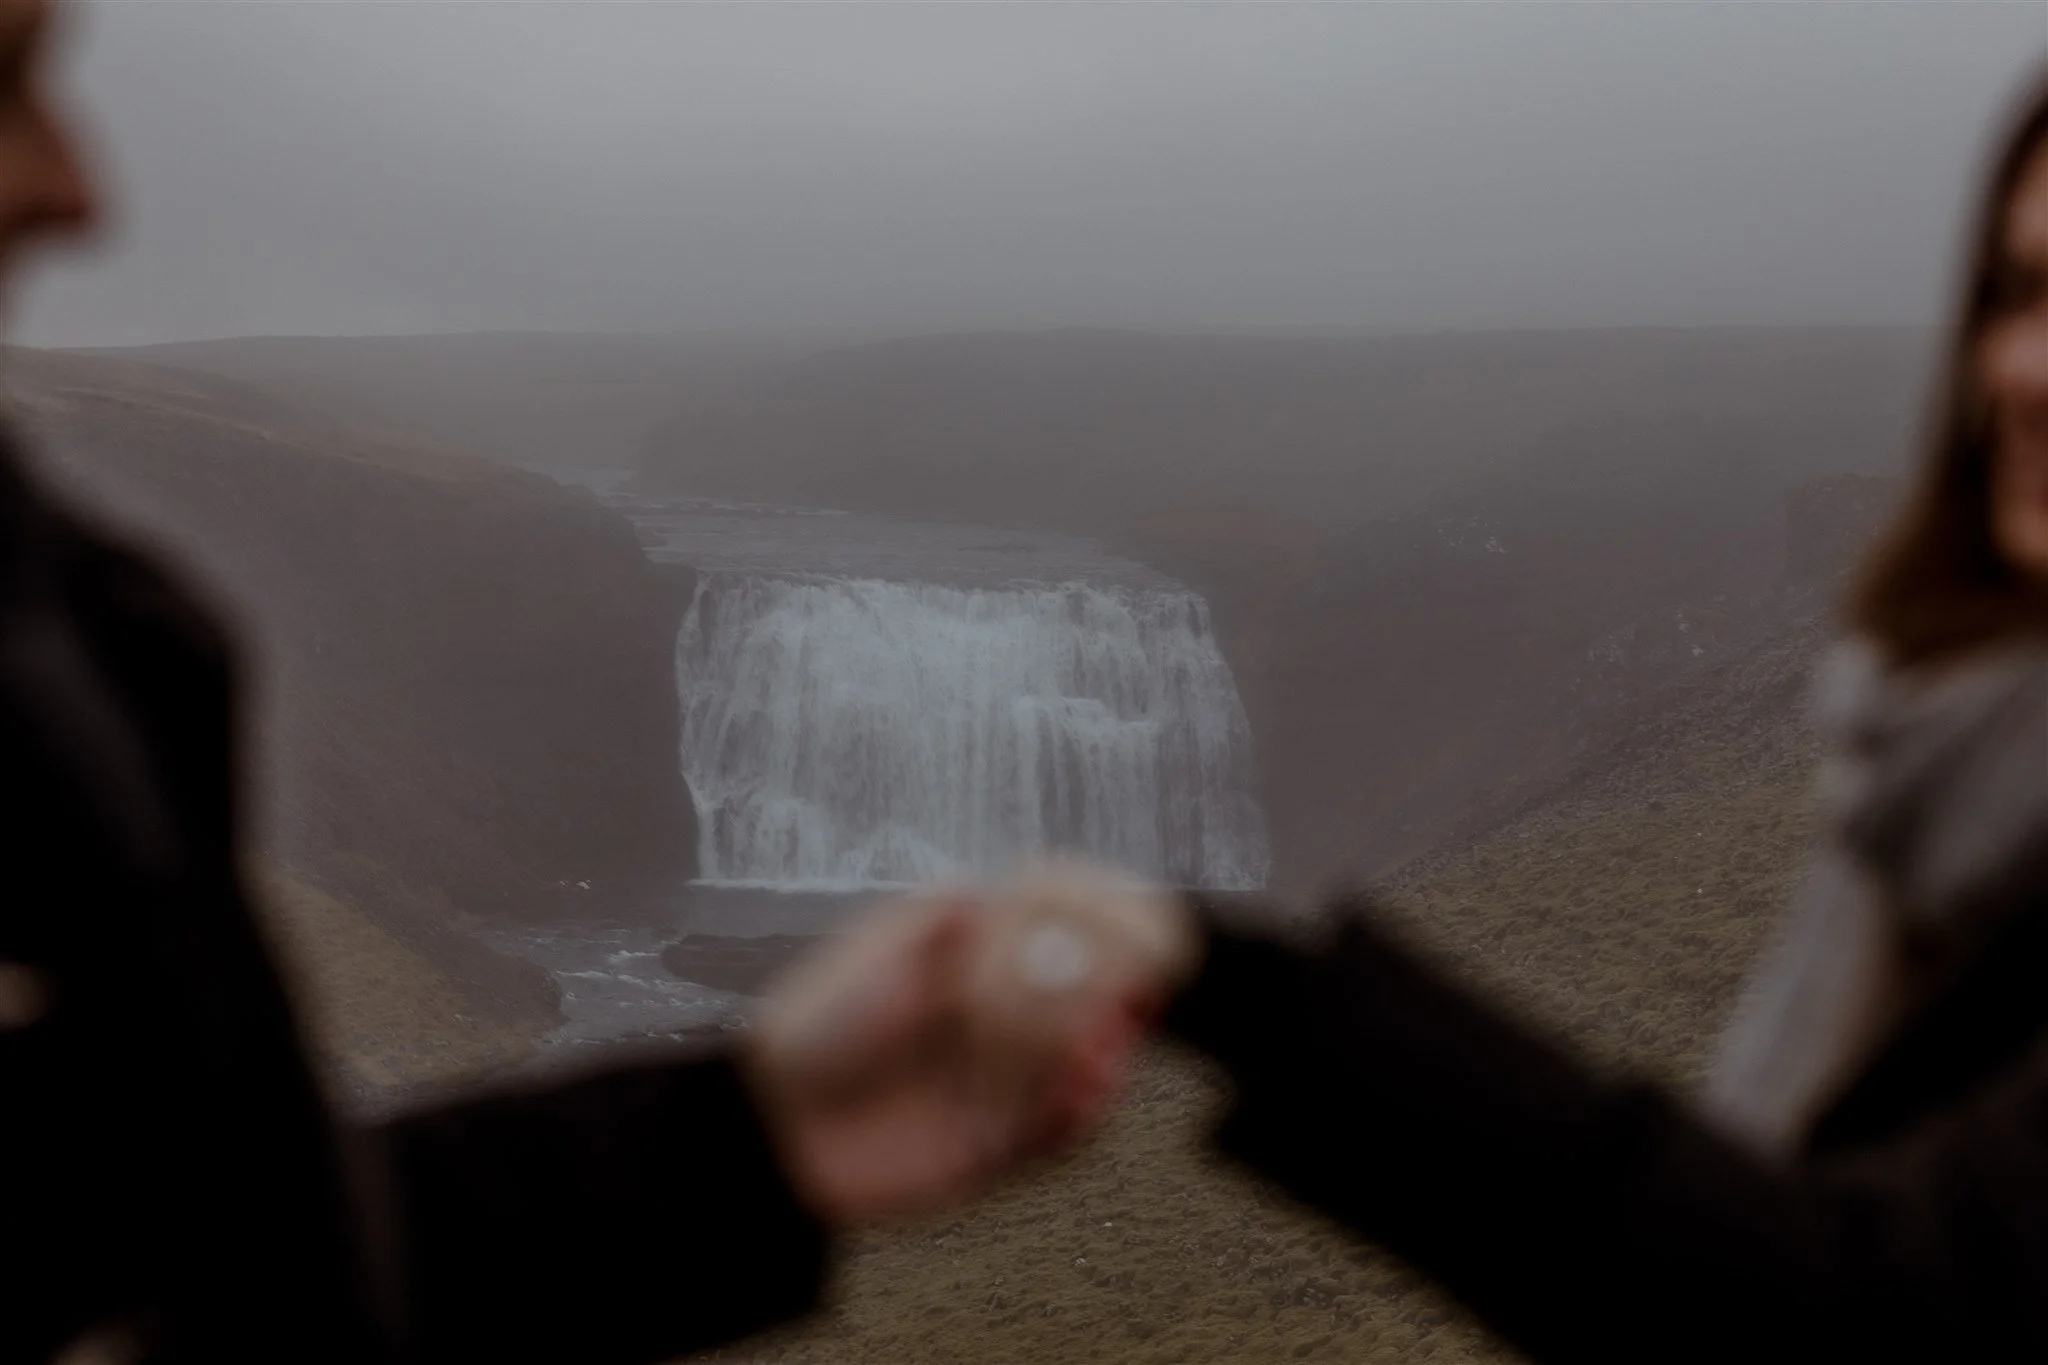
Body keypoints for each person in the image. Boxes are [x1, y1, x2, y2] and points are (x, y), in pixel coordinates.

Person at [0, 3, 1144, 1362]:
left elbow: (154, 1276)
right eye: (7, 79)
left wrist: (750, 1140)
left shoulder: (76, 632)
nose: (80, 190)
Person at [1029, 66, 2048, 1362]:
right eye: (2017, 291)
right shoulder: (1939, 789)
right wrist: (1219, 970)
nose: (2025, 367)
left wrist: (1267, 1005)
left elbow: (1866, 1318)